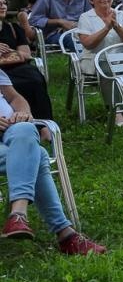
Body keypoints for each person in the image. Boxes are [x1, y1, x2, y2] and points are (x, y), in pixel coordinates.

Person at [0, 71, 104, 254]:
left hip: (12, 130)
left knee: (26, 128)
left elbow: (15, 97)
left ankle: (19, 214)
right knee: (37, 154)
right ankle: (65, 234)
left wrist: (23, 112)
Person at [75, 0, 123, 125]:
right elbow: (88, 44)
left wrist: (116, 26)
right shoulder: (85, 17)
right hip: (95, 59)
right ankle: (117, 113)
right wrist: (106, 28)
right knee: (107, 68)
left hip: (121, 58)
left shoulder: (120, 14)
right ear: (91, 0)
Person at [0, 0, 51, 121]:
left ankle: (44, 123)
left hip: (17, 68)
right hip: (1, 73)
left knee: (35, 79)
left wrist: (8, 52)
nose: (3, 6)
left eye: (4, 3)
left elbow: (26, 54)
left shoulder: (13, 28)